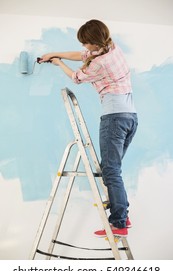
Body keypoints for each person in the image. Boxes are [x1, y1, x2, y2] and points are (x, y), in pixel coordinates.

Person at [40, 19, 138, 237]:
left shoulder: (99, 63)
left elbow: (76, 77)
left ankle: (119, 223)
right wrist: (56, 54)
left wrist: (59, 64)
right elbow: (81, 56)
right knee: (112, 170)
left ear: (94, 42)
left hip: (114, 118)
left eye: (86, 43)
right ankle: (123, 215)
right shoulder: (111, 48)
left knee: (111, 171)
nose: (84, 47)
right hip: (130, 117)